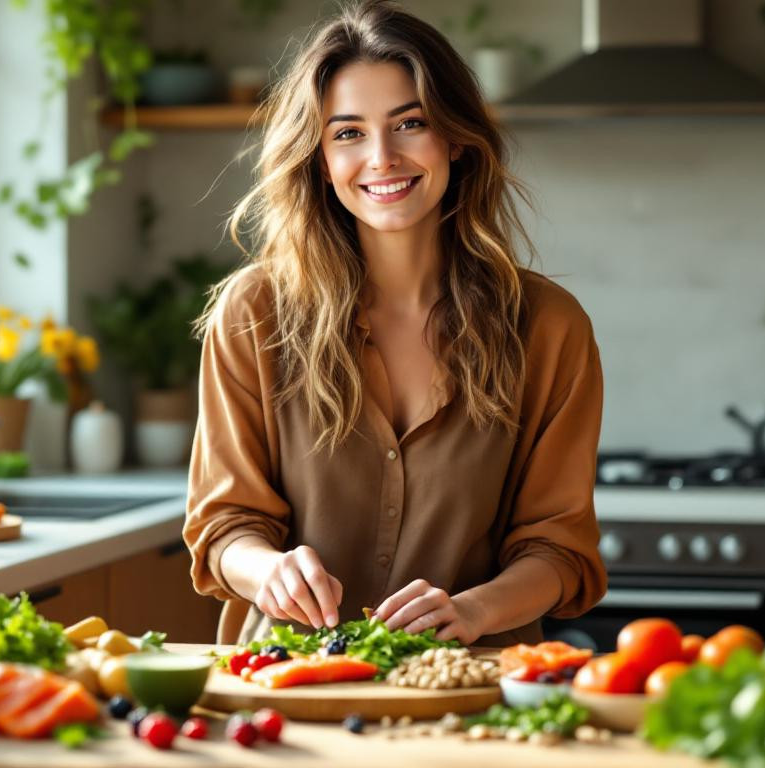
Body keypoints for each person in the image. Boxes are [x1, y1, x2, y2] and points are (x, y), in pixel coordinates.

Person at [183, 0, 605, 647]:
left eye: (410, 123)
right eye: (348, 132)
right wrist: (268, 569)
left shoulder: (549, 328)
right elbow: (224, 525)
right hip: (289, 686)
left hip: (468, 691)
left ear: (457, 139)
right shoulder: (253, 314)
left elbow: (558, 548)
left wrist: (475, 612)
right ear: (320, 159)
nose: (382, 157)